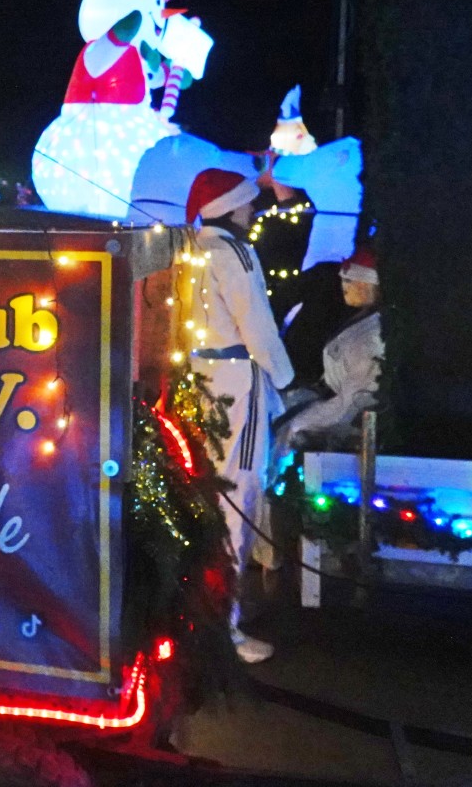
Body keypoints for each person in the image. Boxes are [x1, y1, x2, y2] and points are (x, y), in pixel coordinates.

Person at [183, 168, 294, 664]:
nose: (252, 210)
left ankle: (200, 616)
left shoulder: (189, 249)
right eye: (247, 202)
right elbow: (258, 326)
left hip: (197, 378)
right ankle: (222, 628)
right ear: (230, 206)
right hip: (236, 383)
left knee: (207, 498)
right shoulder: (235, 253)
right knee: (239, 498)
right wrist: (285, 381)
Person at [275, 246, 384, 453]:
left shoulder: (370, 335)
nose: (343, 286)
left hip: (341, 410)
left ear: (367, 285)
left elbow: (354, 399)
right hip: (317, 391)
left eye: (349, 281)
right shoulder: (361, 319)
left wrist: (301, 422)